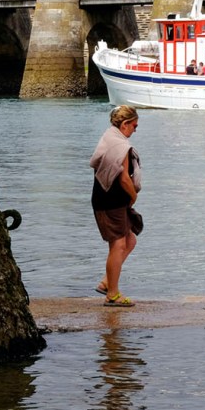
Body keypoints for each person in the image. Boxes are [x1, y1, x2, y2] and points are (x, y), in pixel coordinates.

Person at [89, 105, 143, 307]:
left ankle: (106, 282)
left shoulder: (109, 138)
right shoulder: (120, 146)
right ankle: (112, 294)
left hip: (111, 201)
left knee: (129, 241)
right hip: (109, 201)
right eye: (134, 126)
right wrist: (133, 196)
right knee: (118, 244)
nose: (135, 130)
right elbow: (124, 179)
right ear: (125, 124)